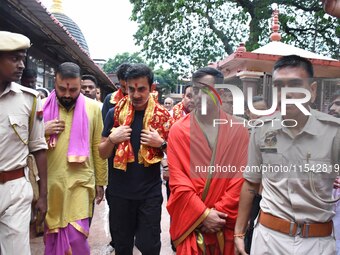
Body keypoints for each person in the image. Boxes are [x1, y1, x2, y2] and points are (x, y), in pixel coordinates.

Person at [234, 55, 340, 255]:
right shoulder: (262, 130)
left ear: (312, 90)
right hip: (268, 239)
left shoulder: (334, 132)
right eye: (279, 86)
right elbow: (250, 182)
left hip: (316, 243)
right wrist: (239, 232)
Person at [167, 67, 248, 255]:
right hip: (193, 224)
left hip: (223, 221)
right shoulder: (178, 131)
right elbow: (179, 182)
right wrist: (203, 215)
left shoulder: (238, 130)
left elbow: (240, 179)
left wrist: (216, 215)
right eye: (195, 90)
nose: (197, 96)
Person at [99, 63, 173, 255]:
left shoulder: (163, 117)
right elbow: (102, 152)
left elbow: (177, 154)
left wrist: (161, 144)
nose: (136, 94)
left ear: (151, 88)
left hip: (149, 194)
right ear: (125, 88)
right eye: (131, 89)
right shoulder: (114, 114)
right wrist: (113, 140)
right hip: (119, 194)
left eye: (142, 89)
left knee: (149, 246)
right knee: (122, 247)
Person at [43, 62, 108, 254]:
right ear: (55, 82)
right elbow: (28, 144)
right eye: (62, 88)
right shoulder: (40, 107)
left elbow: (98, 147)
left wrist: (101, 182)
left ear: (80, 85)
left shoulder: (94, 108)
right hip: (51, 184)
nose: (67, 94)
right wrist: (41, 131)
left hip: (81, 182)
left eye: (73, 89)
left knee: (76, 238)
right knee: (52, 237)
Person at [0, 31, 48, 254]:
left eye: (23, 58)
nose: (21, 65)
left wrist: (43, 196)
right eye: (14, 58)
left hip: (16, 188)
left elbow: (39, 148)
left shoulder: (30, 99)